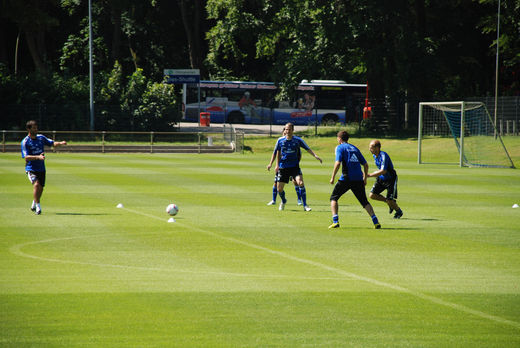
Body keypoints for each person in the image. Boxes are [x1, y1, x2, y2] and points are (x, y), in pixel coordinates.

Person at [329, 130, 380, 229]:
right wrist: (364, 178)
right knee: (364, 201)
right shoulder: (355, 148)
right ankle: (376, 221)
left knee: (333, 198)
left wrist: (333, 177)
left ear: (339, 139)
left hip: (347, 178)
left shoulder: (340, 147)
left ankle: (335, 221)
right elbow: (365, 165)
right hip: (358, 179)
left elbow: (338, 163)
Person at [267, 123, 322, 211]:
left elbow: (307, 148)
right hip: (283, 167)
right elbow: (275, 152)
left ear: (293, 130)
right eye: (286, 129)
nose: (287, 131)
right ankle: (284, 201)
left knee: (300, 183)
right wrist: (270, 164)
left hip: (294, 167)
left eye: (289, 129)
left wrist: (315, 156)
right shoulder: (280, 140)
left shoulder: (298, 140)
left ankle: (305, 205)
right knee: (279, 189)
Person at [21, 120, 67, 215]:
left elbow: (52, 143)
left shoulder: (41, 138)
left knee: (41, 188)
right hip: (31, 168)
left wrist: (60, 143)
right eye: (34, 128)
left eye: (36, 127)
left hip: (41, 168)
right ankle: (38, 207)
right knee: (36, 185)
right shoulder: (25, 142)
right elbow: (26, 157)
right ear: (28, 129)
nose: (36, 129)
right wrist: (38, 157)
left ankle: (34, 202)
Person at [267, 128, 305, 206]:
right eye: (284, 133)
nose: (286, 134)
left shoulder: (294, 144)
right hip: (282, 167)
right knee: (276, 183)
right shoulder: (281, 143)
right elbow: (276, 155)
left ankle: (299, 199)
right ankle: (274, 200)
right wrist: (274, 165)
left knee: (296, 182)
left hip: (293, 166)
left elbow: (299, 155)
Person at [367, 140, 403, 219]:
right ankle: (390, 203)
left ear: (377, 148)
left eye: (371, 147)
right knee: (372, 195)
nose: (369, 149)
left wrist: (369, 175)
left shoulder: (383, 155)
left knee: (390, 200)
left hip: (390, 179)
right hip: (381, 178)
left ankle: (398, 211)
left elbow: (383, 170)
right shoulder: (374, 156)